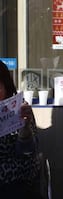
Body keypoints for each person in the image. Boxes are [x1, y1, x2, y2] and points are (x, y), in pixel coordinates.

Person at [0, 60, 42, 198]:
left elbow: (27, 153)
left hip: (15, 181)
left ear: (6, 86)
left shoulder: (18, 107)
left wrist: (25, 128)